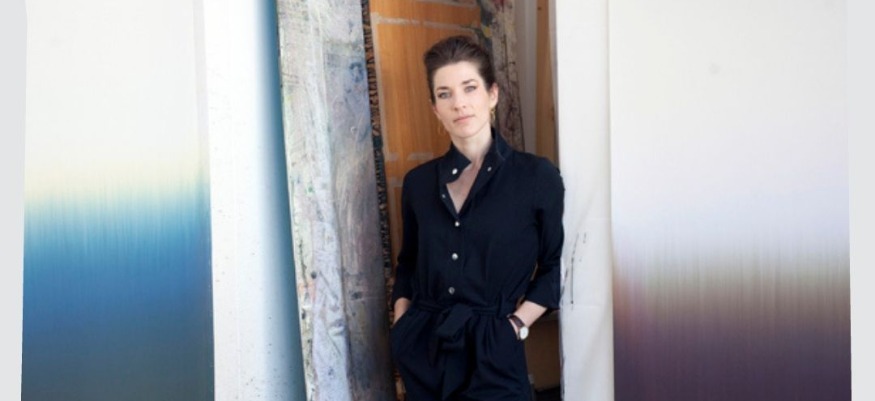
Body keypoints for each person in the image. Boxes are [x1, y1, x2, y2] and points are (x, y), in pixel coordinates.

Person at [389, 34, 565, 401]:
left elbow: (554, 269)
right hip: (425, 349)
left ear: (493, 94)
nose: (459, 103)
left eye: (470, 88)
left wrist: (515, 326)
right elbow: (408, 264)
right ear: (435, 108)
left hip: (494, 351)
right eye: (445, 94)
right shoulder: (418, 183)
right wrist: (403, 320)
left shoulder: (536, 177)